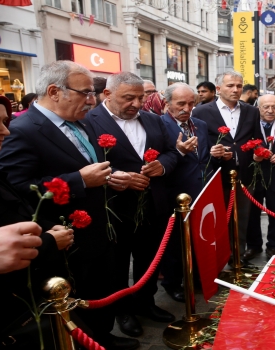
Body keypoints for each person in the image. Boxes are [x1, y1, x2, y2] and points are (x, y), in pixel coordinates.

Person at [0, 61, 138, 350]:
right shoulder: (22, 130)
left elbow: (89, 167)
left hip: (98, 230)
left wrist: (109, 177)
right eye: (85, 92)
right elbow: (14, 188)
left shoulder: (82, 122)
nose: (92, 99)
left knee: (101, 290)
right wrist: (79, 181)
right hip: (63, 240)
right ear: (54, 92)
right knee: (77, 301)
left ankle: (102, 337)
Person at [0, 89, 75, 348]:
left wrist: (47, 229)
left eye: (4, 122)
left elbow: (13, 211)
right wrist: (46, 242)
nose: (5, 131)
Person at [86, 72, 178, 337]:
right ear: (107, 95)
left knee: (149, 259)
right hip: (114, 208)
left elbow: (172, 153)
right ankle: (122, 311)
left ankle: (146, 302)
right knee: (116, 264)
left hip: (153, 204)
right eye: (129, 98)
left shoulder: (153, 120)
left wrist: (163, 166)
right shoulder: (89, 122)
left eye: (141, 97)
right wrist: (112, 175)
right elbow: (84, 162)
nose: (137, 104)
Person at [192, 71, 261, 260]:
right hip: (216, 174)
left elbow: (257, 140)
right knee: (217, 219)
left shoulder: (252, 111)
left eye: (239, 86)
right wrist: (212, 152)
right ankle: (216, 258)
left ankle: (237, 256)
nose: (236, 89)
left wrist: (259, 153)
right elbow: (198, 145)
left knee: (242, 218)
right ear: (219, 88)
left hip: (244, 174)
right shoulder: (201, 112)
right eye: (231, 86)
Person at [159, 82, 211, 302]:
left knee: (198, 237)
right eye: (181, 103)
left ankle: (199, 276)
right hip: (174, 193)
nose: (187, 108)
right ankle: (172, 282)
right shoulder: (159, 126)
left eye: (191, 103)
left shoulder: (200, 124)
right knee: (174, 242)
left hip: (200, 191)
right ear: (167, 103)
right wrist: (178, 152)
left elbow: (203, 158)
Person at [243, 94, 275, 261]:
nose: (270, 111)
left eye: (274, 107)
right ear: (259, 108)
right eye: (266, 107)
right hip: (254, 177)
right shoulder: (249, 125)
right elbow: (241, 147)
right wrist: (252, 157)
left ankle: (274, 246)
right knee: (252, 214)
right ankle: (253, 246)